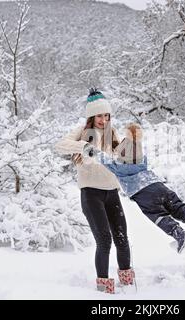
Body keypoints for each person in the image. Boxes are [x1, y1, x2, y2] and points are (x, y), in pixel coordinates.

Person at [84, 123, 185, 253]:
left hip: (143, 193)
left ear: (122, 157)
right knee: (178, 206)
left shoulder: (119, 168)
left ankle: (179, 234)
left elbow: (104, 159)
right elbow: (133, 149)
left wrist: (89, 149)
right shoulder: (142, 161)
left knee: (157, 215)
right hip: (158, 185)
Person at [55, 89, 135, 294]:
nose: (104, 119)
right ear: (92, 116)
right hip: (91, 193)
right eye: (100, 115)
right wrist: (82, 146)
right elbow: (59, 146)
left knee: (122, 238)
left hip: (111, 192)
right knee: (104, 240)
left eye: (107, 115)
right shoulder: (81, 131)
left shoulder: (112, 132)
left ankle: (128, 283)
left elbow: (119, 157)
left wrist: (129, 148)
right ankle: (104, 286)